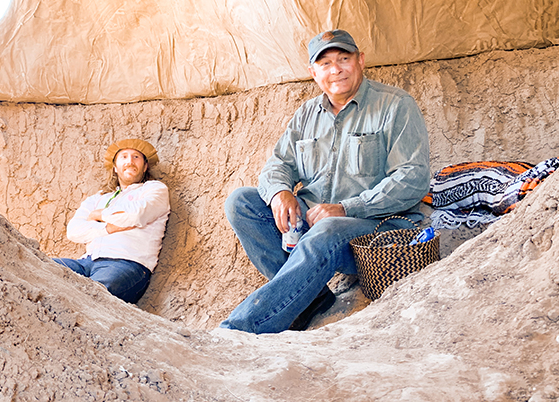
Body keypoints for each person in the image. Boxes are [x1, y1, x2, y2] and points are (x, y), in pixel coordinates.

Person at [220, 29, 431, 333]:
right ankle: (311, 300)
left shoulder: (396, 105)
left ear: (360, 61)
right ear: (313, 72)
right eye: (325, 63)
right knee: (241, 202)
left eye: (343, 59)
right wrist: (280, 193)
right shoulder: (307, 113)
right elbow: (278, 164)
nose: (335, 70)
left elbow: (412, 179)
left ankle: (242, 329)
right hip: (315, 222)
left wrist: (347, 207)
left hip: (375, 228)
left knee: (328, 228)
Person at [55, 139, 170, 303]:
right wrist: (108, 229)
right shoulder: (98, 198)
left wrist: (99, 215)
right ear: (115, 167)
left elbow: (135, 215)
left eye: (136, 157)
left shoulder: (154, 190)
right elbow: (74, 231)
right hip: (87, 262)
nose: (130, 161)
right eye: (124, 157)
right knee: (43, 267)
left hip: (126, 263)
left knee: (91, 295)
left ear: (145, 167)